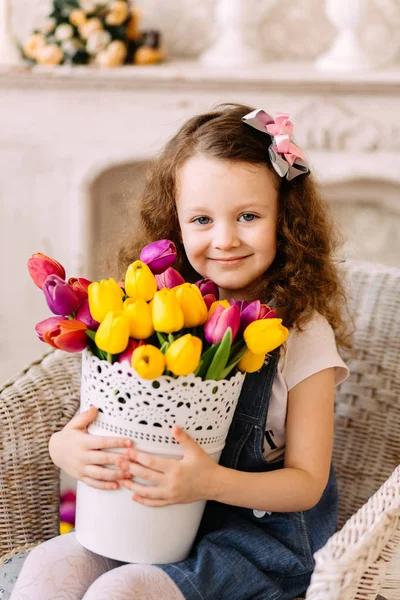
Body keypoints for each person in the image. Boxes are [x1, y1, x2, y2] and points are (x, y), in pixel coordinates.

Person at [11, 104, 350, 600]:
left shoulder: (302, 331)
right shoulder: (147, 309)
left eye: (249, 216)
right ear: (175, 222)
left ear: (286, 220)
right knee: (48, 567)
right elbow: (103, 417)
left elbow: (306, 484)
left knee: (123, 590)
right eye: (202, 219)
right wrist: (65, 449)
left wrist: (209, 482)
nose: (225, 239)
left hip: (254, 535)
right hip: (150, 513)